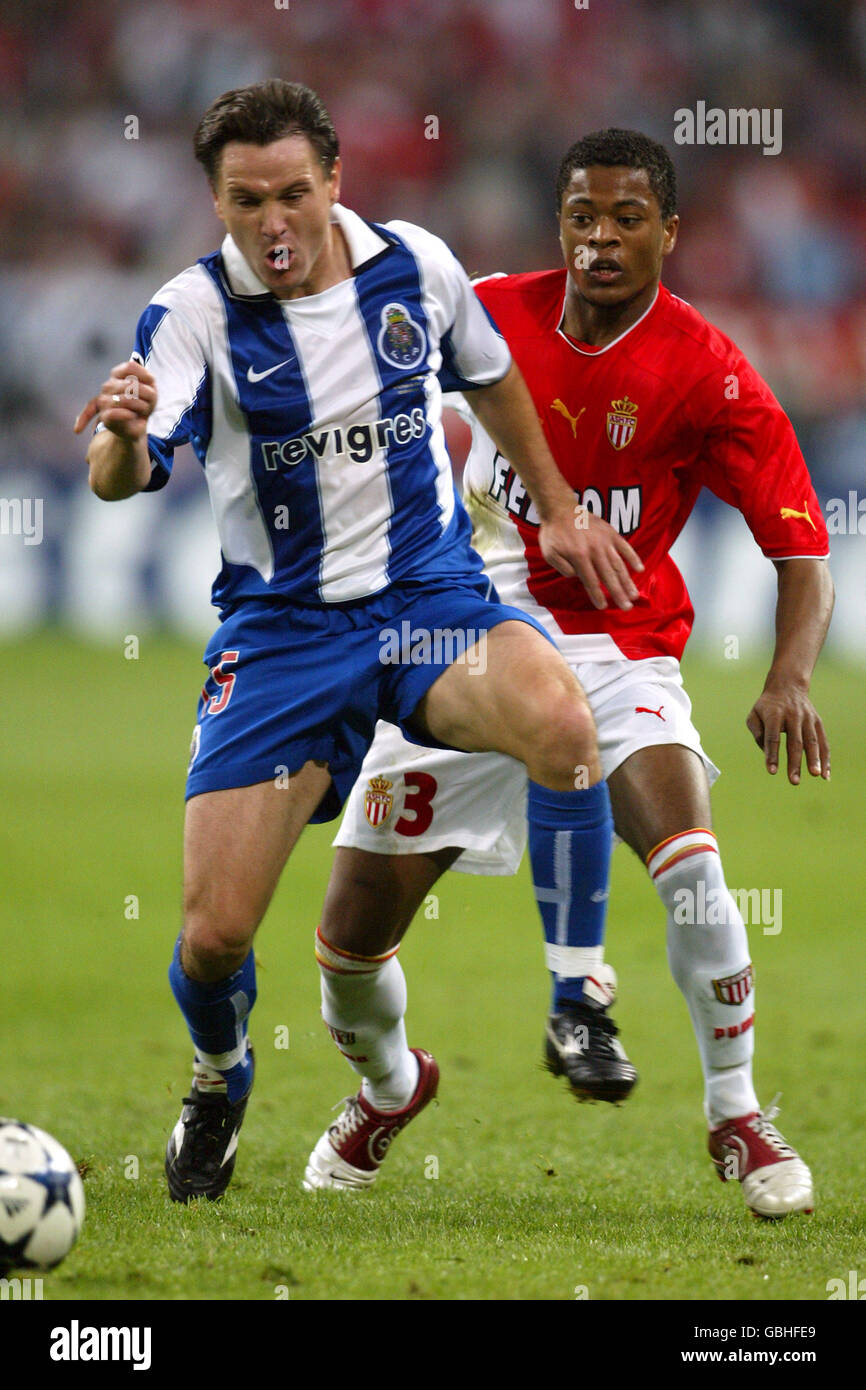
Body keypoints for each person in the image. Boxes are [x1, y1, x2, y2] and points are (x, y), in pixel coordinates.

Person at [73, 84, 644, 1203]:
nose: (273, 223)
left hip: (424, 597)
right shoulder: (190, 313)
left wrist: (561, 506)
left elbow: (488, 377)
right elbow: (126, 474)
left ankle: (576, 999)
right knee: (213, 937)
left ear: (334, 181)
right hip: (284, 633)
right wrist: (123, 437)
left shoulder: (414, 268)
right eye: (246, 201)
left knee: (562, 723)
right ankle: (219, 1074)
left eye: (293, 193)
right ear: (216, 201)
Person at [307, 129, 833, 1219]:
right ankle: (389, 1086)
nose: (599, 240)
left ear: (669, 232)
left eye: (626, 219)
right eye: (581, 217)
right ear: (560, 224)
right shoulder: (486, 308)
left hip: (614, 650)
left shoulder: (706, 369)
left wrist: (787, 676)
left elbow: (802, 547)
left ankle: (734, 1113)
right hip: (457, 645)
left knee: (689, 858)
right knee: (348, 946)